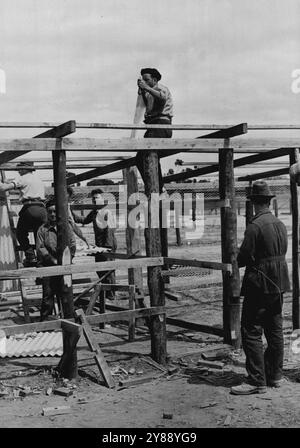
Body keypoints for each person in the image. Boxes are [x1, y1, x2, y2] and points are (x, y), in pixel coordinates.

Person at [231, 181, 290, 395]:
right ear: (268, 201)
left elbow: (244, 257)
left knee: (251, 330)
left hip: (260, 283)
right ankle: (275, 375)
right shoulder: (280, 224)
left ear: (254, 203)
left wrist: (236, 257)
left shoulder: (254, 226)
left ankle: (256, 381)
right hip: (279, 281)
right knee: (275, 329)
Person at [72, 188, 117, 300]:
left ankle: (111, 295)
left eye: (97, 198)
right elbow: (83, 220)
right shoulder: (94, 212)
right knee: (99, 268)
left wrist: (107, 247)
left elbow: (110, 230)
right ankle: (104, 292)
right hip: (99, 244)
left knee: (108, 269)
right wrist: (70, 212)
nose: (94, 200)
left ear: (103, 199)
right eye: (93, 199)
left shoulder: (107, 211)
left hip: (108, 243)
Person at [36, 199, 76, 321]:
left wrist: (67, 259)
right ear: (47, 213)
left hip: (64, 265)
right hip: (48, 267)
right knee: (47, 297)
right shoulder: (42, 229)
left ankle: (68, 321)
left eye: (55, 211)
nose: (53, 214)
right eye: (50, 212)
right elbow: (40, 248)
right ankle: (45, 325)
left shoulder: (66, 227)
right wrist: (52, 260)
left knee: (65, 295)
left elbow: (73, 244)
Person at [135, 67, 173, 193]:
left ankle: (158, 187)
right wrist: (142, 90)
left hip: (161, 125)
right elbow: (148, 105)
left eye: (147, 80)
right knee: (141, 158)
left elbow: (161, 99)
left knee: (149, 155)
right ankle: (156, 186)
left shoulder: (161, 88)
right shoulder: (148, 92)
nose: (144, 82)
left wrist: (146, 88)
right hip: (153, 126)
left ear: (154, 80)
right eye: (143, 80)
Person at [14, 161, 47, 266]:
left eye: (20, 168)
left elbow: (3, 188)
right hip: (42, 209)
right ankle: (42, 261)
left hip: (30, 207)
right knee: (40, 236)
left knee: (20, 233)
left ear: (26, 169)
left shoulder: (23, 178)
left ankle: (31, 257)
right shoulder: (38, 179)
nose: (18, 171)